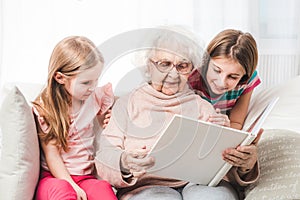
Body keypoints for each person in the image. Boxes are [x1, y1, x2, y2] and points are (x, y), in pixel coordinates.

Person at [95, 27, 259, 200]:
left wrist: (245, 165)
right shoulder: (126, 104)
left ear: (191, 70)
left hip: (198, 183)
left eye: (182, 66)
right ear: (149, 66)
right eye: (164, 64)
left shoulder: (203, 106)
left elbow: (222, 167)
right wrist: (124, 162)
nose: (173, 73)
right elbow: (104, 156)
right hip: (147, 186)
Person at [33, 36, 117, 200]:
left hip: (85, 177)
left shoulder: (95, 98)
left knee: (103, 189)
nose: (92, 88)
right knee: (64, 191)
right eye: (86, 82)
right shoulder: (47, 108)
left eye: (96, 80)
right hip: (54, 177)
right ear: (60, 78)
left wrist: (108, 120)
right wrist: (72, 185)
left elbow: (101, 122)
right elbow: (52, 155)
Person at [188, 29, 261, 130]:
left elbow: (236, 122)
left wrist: (226, 129)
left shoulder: (247, 81)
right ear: (206, 61)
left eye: (233, 77)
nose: (221, 82)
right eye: (216, 71)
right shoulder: (192, 76)